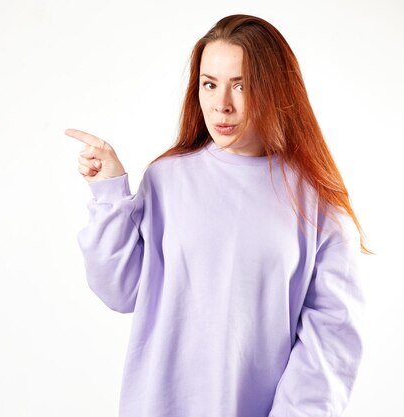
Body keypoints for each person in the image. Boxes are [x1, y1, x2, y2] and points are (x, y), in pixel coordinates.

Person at [65, 14, 369, 417]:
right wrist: (109, 192)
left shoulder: (316, 200)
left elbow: (333, 335)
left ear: (275, 89)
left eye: (241, 85)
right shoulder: (167, 179)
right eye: (210, 84)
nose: (221, 104)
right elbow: (119, 291)